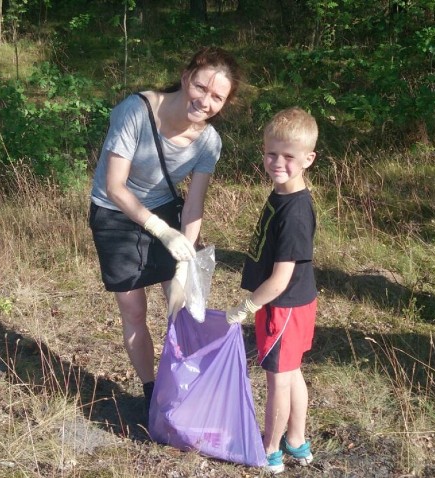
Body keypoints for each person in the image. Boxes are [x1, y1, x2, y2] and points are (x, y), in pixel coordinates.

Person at [89, 47, 241, 414]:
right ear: (187, 76)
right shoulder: (135, 111)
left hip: (164, 211)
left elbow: (193, 205)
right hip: (115, 215)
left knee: (182, 305)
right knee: (134, 311)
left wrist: (186, 253)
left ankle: (181, 385)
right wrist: (159, 229)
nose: (205, 101)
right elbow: (115, 186)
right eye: (201, 87)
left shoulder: (209, 142)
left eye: (217, 97)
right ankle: (150, 391)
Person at [226, 107, 318, 474]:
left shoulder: (295, 212)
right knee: (291, 371)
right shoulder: (282, 194)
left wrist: (247, 307)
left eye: (289, 156)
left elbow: (280, 278)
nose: (277, 162)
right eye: (271, 153)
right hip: (287, 304)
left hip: (282, 305)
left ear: (308, 159)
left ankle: (271, 449)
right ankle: (296, 440)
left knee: (278, 378)